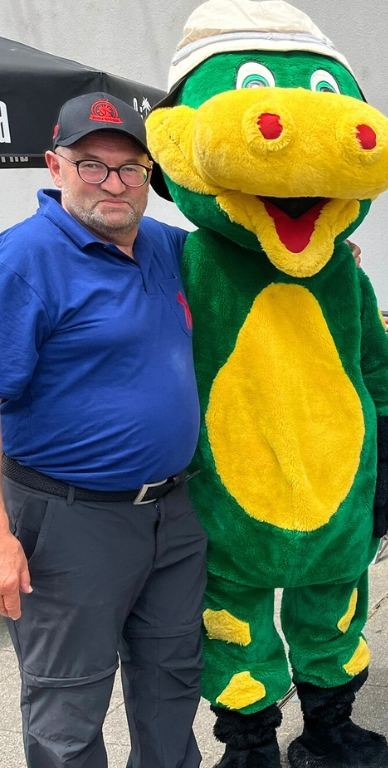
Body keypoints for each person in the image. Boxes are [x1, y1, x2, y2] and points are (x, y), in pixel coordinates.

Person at [0, 92, 205, 768]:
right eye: (93, 165)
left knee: (172, 681)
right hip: (69, 521)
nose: (114, 184)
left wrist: (330, 258)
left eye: (131, 168)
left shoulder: (164, 245)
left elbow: (240, 260)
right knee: (67, 707)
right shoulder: (22, 261)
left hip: (172, 514)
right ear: (55, 165)